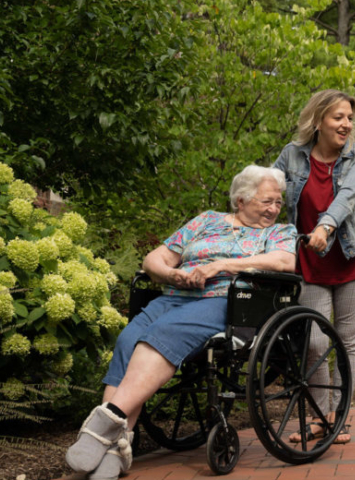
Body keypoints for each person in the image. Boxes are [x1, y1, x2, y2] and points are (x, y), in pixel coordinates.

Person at [65, 166, 296, 479]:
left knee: (161, 335)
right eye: (265, 202)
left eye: (277, 203)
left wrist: (221, 265)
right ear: (240, 201)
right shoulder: (206, 221)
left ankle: (103, 427)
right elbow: (153, 259)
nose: (273, 209)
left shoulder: (278, 232)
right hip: (174, 297)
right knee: (127, 340)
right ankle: (117, 445)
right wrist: (172, 274)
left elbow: (285, 261)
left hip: (223, 301)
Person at [273, 89, 355, 445]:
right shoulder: (292, 155)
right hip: (310, 263)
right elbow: (267, 188)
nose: (347, 124)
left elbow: (348, 196)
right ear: (318, 121)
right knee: (315, 343)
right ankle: (319, 417)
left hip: (352, 260)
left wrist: (324, 226)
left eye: (349, 118)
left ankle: (338, 416)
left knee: (347, 340)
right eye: (338, 117)